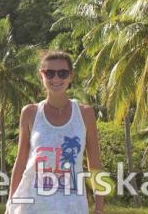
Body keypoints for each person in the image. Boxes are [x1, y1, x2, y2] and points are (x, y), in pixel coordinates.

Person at [6, 51, 105, 214]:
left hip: (72, 206)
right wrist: (10, 203)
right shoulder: (30, 113)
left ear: (71, 76)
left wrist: (99, 208)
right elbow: (21, 161)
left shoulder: (85, 114)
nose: (56, 79)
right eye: (50, 73)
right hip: (31, 206)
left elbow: (94, 163)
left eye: (62, 73)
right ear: (41, 75)